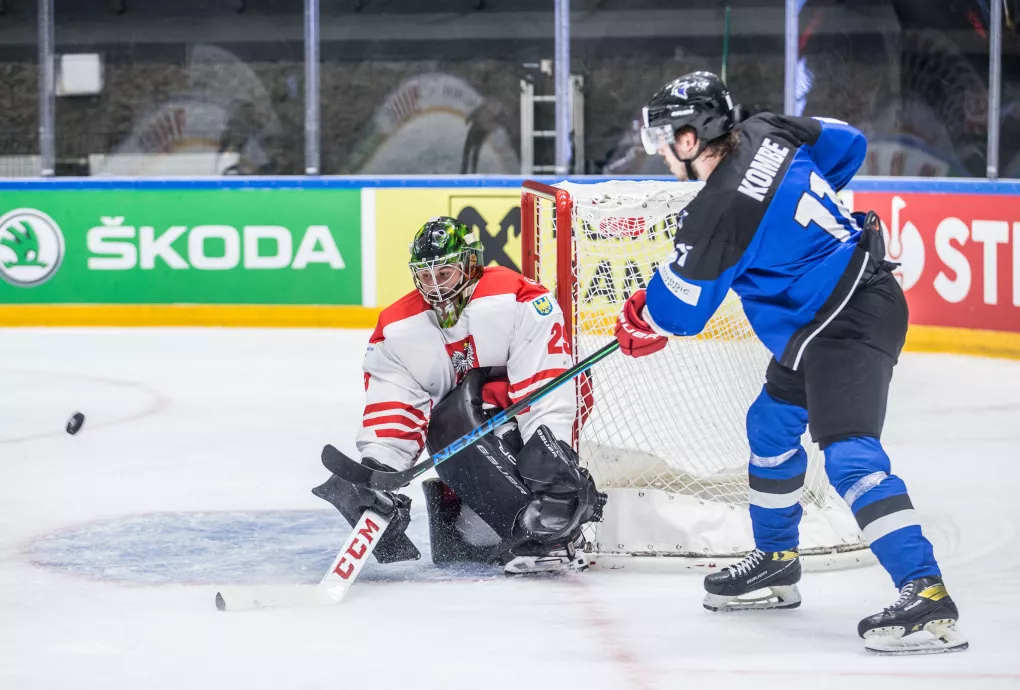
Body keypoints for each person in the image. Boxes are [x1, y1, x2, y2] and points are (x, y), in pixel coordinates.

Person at [617, 71, 966, 654]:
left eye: (663, 139)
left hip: (848, 319)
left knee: (850, 455)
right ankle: (777, 559)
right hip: (825, 315)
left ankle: (926, 591)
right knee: (771, 424)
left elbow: (681, 314)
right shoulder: (768, 129)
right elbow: (848, 144)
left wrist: (644, 314)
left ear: (689, 138)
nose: (659, 152)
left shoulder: (719, 213)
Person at [314, 216, 606, 575]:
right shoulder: (398, 330)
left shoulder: (516, 300)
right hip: (471, 434)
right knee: (468, 537)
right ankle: (507, 521)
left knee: (476, 429)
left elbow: (545, 385)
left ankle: (552, 534)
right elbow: (395, 405)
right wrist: (379, 471)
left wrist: (553, 465)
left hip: (523, 422)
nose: (435, 287)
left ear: (470, 265)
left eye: (444, 273)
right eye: (425, 276)